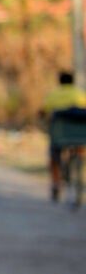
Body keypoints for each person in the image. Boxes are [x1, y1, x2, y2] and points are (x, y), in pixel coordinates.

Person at [42, 71, 86, 202]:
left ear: (60, 81)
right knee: (80, 146)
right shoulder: (79, 94)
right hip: (79, 135)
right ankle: (79, 161)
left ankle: (56, 183)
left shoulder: (53, 95)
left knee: (54, 156)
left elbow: (45, 111)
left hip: (60, 135)